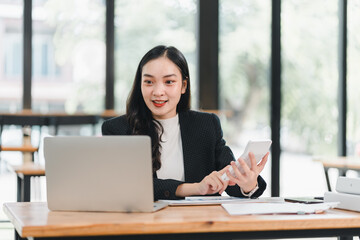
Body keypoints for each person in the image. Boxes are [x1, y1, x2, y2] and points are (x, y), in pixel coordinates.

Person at [102, 45, 269, 200]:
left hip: (197, 225)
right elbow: (129, 185)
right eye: (148, 82)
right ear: (140, 85)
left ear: (183, 85)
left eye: (169, 82)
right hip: (143, 225)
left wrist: (247, 184)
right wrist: (196, 188)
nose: (158, 92)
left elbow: (229, 180)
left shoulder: (206, 125)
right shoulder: (117, 129)